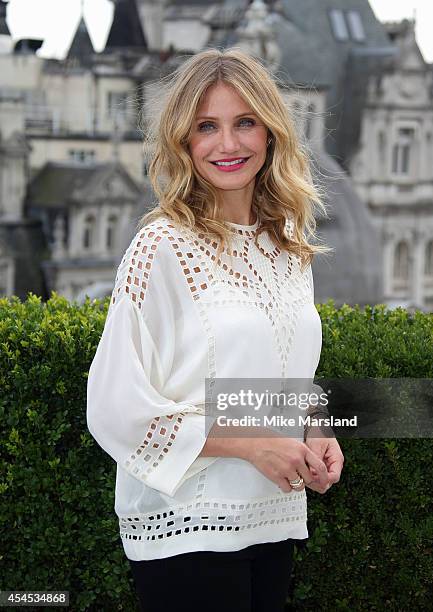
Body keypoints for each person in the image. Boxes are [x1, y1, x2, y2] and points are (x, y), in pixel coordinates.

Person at [86, 47, 344, 612]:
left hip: (273, 516)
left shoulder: (289, 243)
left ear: (272, 132)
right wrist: (251, 444)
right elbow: (115, 407)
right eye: (207, 127)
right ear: (184, 141)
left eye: (244, 122)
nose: (228, 145)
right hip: (188, 526)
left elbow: (285, 371)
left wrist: (317, 428)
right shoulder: (161, 248)